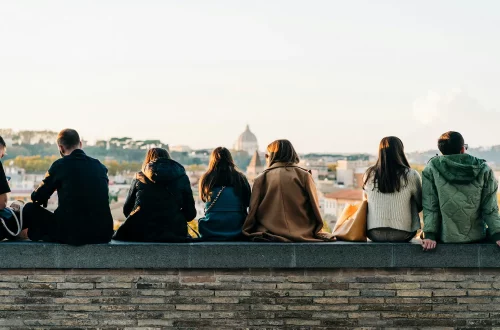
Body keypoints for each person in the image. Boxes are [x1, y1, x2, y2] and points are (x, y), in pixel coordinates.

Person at [22, 129, 114, 245]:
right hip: (103, 234)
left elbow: (36, 197)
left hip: (72, 234)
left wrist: (54, 187)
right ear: (80, 144)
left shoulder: (60, 165)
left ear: (60, 148)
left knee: (29, 208)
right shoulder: (100, 166)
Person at [421, 131, 500, 250]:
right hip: (477, 236)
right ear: (462, 149)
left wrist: (430, 234)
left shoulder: (431, 168)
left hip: (445, 236)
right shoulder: (484, 169)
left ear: (442, 151)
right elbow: (490, 207)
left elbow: (430, 205)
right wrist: (497, 234)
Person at [242, 139, 332, 242]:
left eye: (267, 156)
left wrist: (247, 230)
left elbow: (253, 210)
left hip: (269, 232)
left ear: (272, 156)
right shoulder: (304, 176)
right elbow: (315, 208)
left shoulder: (261, 178)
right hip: (303, 231)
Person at [113, 148, 196, 242]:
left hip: (139, 232)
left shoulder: (139, 177)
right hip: (174, 232)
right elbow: (190, 214)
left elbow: (127, 210)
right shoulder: (182, 177)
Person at [363, 137, 422, 242]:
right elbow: (420, 204)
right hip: (403, 233)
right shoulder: (411, 174)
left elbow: (365, 201)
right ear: (400, 151)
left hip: (373, 233)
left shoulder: (369, 173)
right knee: (411, 198)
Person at [198, 147, 251, 241]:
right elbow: (247, 202)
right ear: (230, 159)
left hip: (211, 229)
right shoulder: (240, 178)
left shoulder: (206, 178)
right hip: (237, 228)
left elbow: (203, 198)